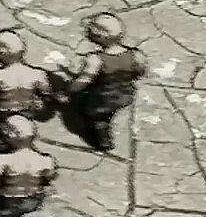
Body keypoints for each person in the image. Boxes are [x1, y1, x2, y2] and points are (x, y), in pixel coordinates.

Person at [61, 13, 145, 151]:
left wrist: (69, 90)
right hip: (125, 95)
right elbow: (140, 72)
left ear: (99, 36)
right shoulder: (136, 55)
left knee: (95, 115)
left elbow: (83, 81)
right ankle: (107, 120)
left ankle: (102, 138)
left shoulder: (96, 59)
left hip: (101, 100)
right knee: (110, 110)